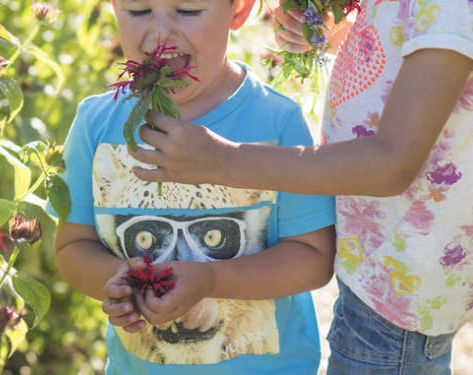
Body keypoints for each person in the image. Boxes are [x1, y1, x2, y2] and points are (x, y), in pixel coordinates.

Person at [124, 0, 473, 373]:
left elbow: (392, 163)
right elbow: (408, 44)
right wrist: (336, 33)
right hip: (380, 253)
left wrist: (222, 160)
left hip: (401, 277)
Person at [45, 0, 337, 373]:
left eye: (187, 10)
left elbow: (313, 258)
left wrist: (210, 279)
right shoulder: (95, 125)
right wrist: (115, 282)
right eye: (138, 11)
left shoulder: (276, 122)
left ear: (239, 10)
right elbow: (73, 246)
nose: (160, 33)